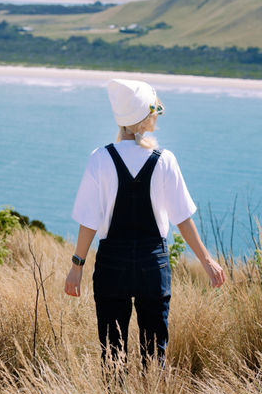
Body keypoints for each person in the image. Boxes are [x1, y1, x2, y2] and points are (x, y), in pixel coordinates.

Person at [64, 78, 225, 369]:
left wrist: (77, 268)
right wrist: (207, 260)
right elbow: (182, 220)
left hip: (112, 265)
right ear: (145, 118)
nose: (156, 118)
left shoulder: (99, 159)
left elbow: (89, 221)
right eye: (155, 112)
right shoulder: (165, 160)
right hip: (154, 265)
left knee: (112, 354)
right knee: (155, 356)